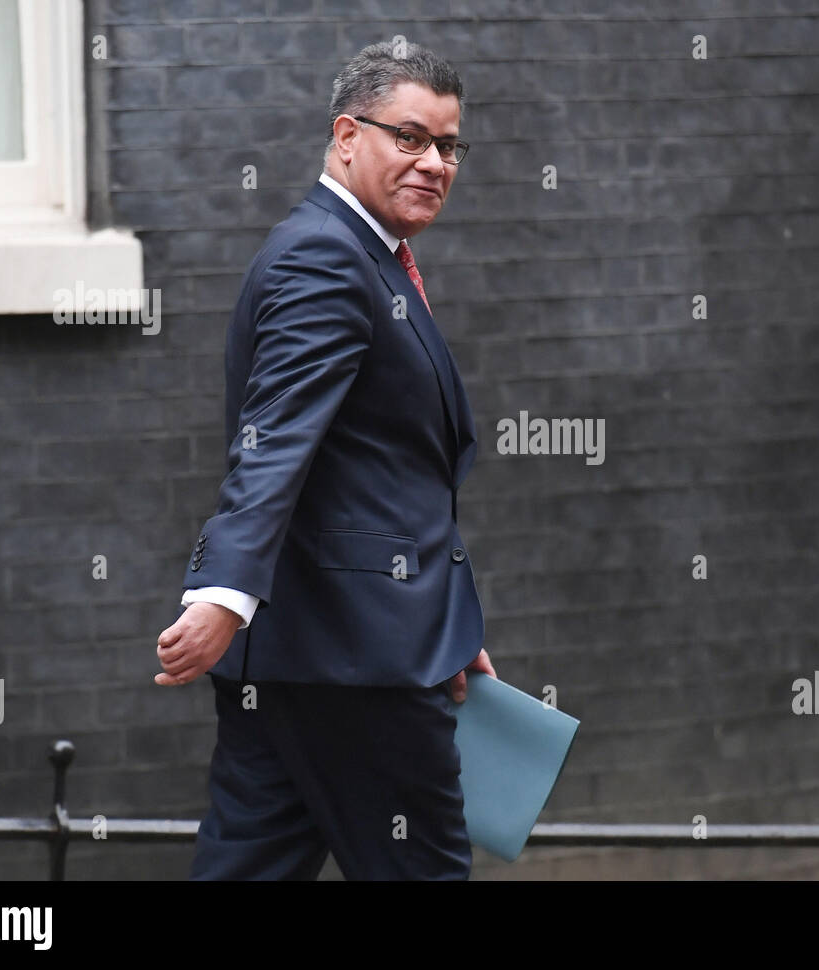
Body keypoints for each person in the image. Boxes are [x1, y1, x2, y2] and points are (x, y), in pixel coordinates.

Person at [153, 41, 494, 880]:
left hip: (307, 657)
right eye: (409, 137)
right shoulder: (326, 257)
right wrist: (223, 591)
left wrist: (445, 619)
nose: (434, 163)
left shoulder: (363, 252)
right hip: (358, 669)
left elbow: (372, 470)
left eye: (448, 146)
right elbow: (278, 439)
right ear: (347, 135)